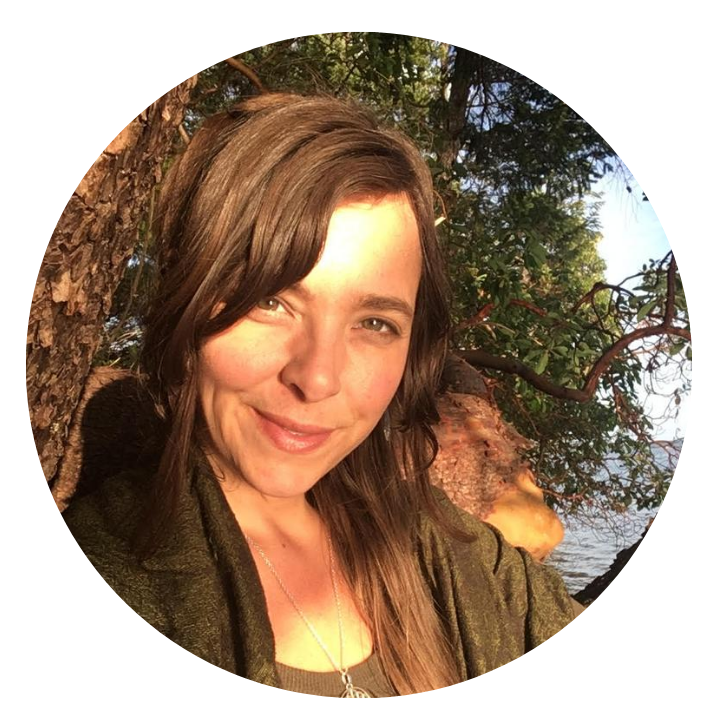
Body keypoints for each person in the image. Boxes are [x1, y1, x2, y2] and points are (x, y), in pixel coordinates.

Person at [62, 92, 581, 697]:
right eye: (270, 300)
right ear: (187, 298)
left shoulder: (452, 551)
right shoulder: (120, 567)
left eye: (375, 323)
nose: (317, 379)